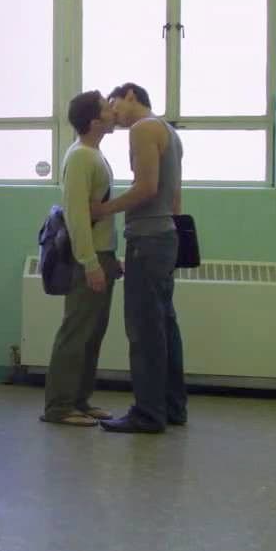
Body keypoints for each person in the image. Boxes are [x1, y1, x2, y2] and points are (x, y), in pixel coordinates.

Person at [92, 82, 186, 434]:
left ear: (130, 95)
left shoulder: (143, 129)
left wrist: (104, 209)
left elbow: (146, 188)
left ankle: (147, 413)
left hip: (147, 240)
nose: (113, 114)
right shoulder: (169, 132)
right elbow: (174, 196)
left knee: (144, 330)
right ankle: (172, 407)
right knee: (164, 326)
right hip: (164, 238)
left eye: (114, 104)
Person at [41, 90, 121, 427]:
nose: (113, 112)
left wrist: (108, 258)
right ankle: (59, 407)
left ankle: (79, 400)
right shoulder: (80, 157)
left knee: (93, 332)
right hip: (87, 256)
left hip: (102, 253)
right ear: (94, 121)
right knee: (76, 332)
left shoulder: (93, 154)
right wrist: (90, 263)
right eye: (106, 109)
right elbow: (76, 215)